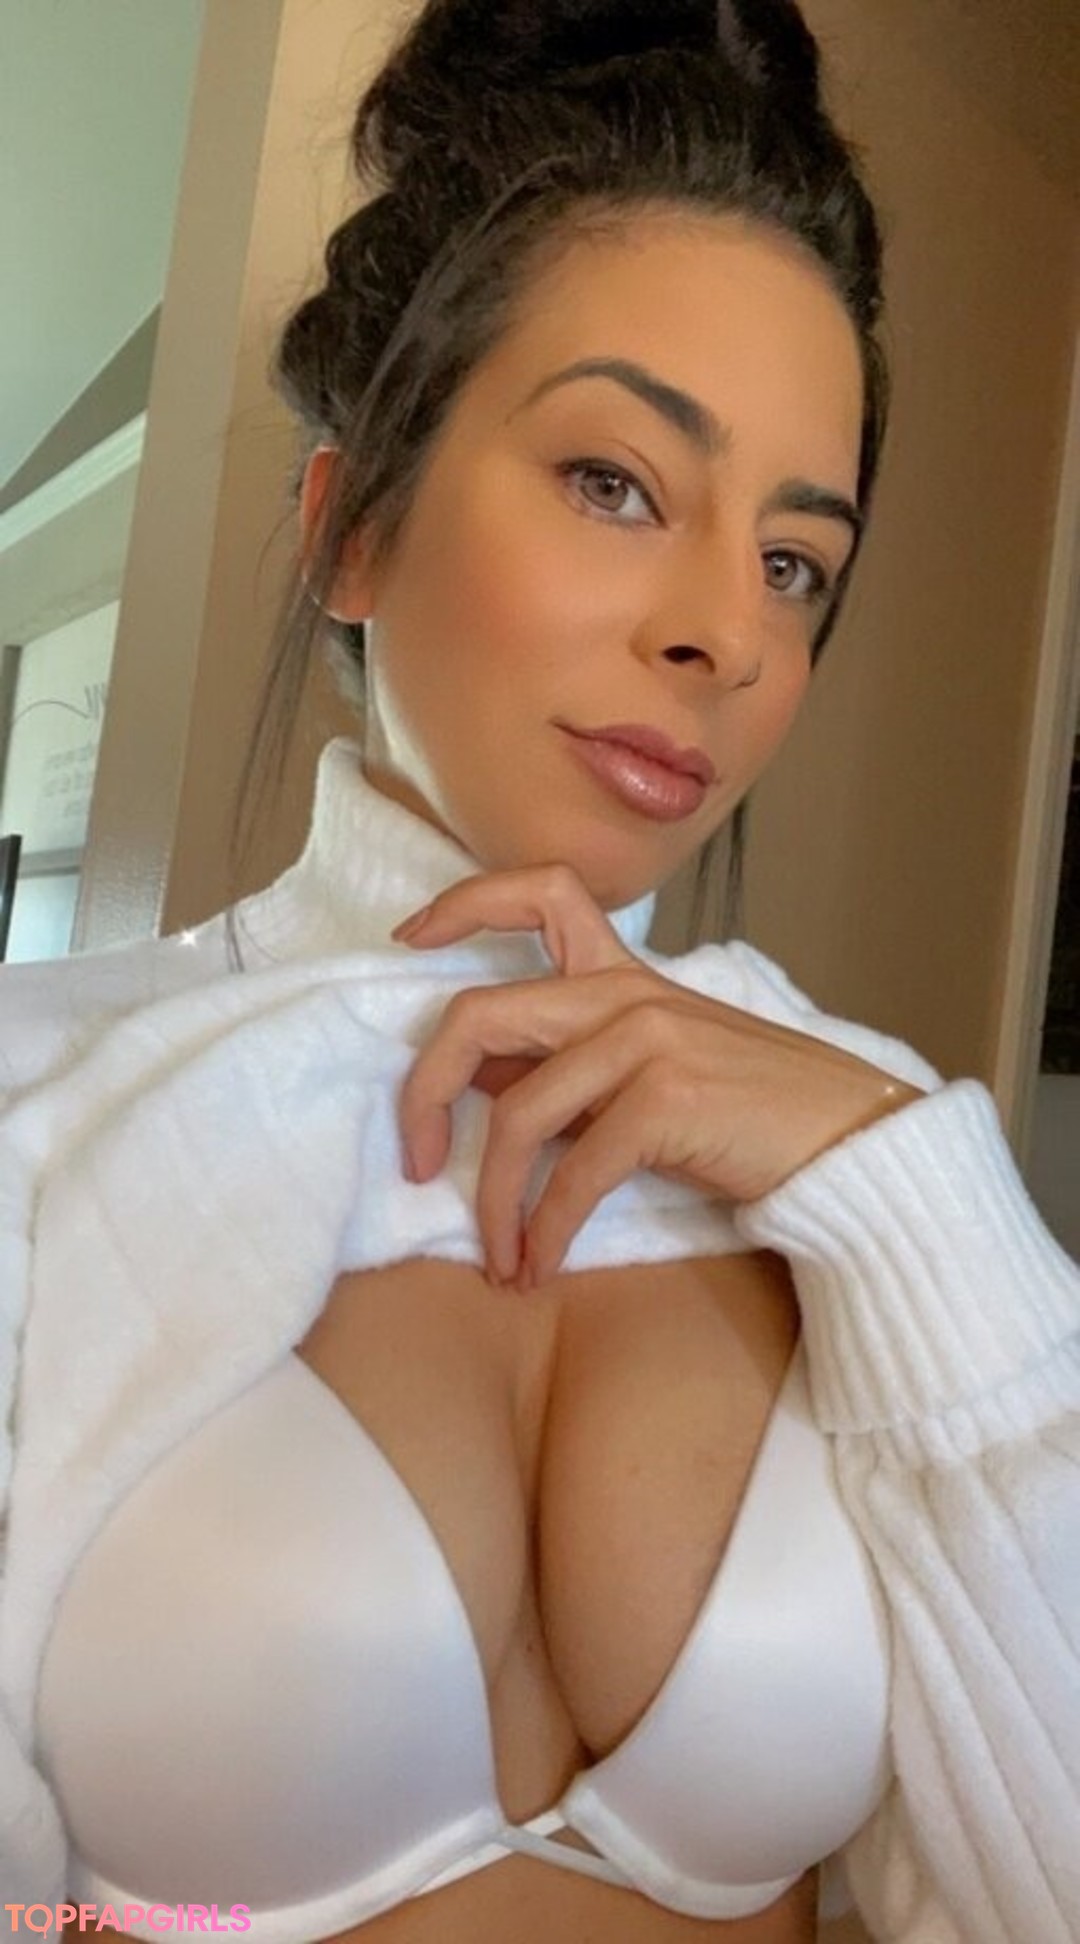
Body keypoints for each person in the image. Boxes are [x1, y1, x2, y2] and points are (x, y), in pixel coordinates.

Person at [1, 2, 1078, 1941]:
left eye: (795, 563)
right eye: (617, 482)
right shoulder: (41, 1108)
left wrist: (910, 1180)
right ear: (351, 528)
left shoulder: (865, 1167)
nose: (723, 631)